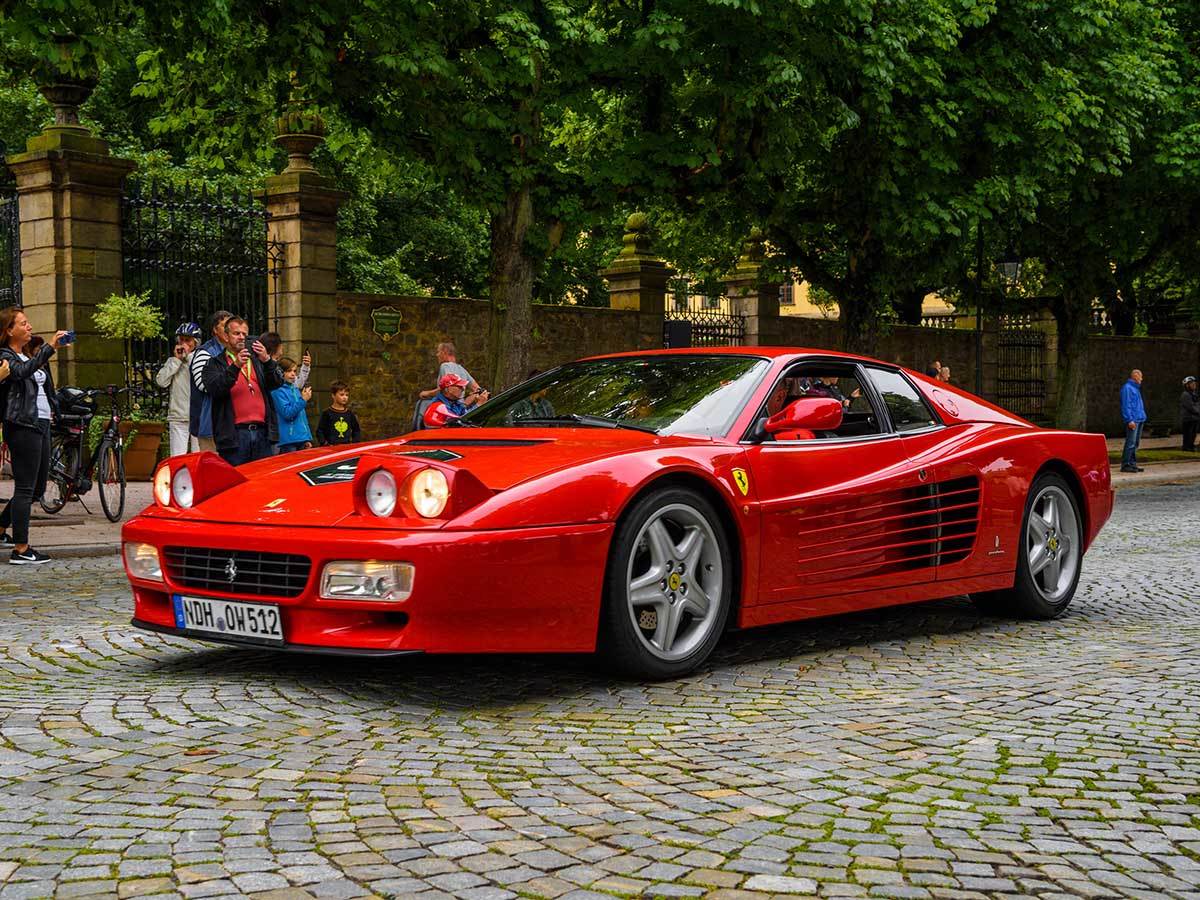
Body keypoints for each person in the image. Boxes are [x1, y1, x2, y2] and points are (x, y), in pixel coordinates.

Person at [0, 308, 70, 564]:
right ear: (9, 330)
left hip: (41, 422)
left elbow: (44, 385)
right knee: (25, 487)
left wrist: (55, 410)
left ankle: (1, 528)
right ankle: (21, 549)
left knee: (38, 487)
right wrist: (49, 347)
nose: (29, 327)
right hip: (22, 423)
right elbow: (19, 373)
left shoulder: (28, 353)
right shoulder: (5, 356)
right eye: (23, 323)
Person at [201, 316, 284, 466]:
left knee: (262, 482)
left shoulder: (258, 360)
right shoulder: (214, 364)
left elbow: (277, 382)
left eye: (244, 334)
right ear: (226, 336)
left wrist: (267, 361)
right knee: (236, 483)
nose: (241, 337)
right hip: (234, 436)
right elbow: (215, 388)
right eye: (236, 333)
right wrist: (236, 366)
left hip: (262, 433)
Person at [156, 322, 202, 457]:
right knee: (177, 458)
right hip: (178, 416)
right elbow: (161, 381)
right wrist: (176, 361)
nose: (183, 343)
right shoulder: (173, 361)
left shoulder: (200, 359)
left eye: (187, 340)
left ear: (196, 342)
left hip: (198, 416)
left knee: (198, 457)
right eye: (181, 340)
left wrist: (187, 357)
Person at [189, 310, 232, 453]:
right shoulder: (205, 352)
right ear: (215, 330)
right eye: (224, 325)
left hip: (230, 425)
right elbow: (204, 385)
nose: (228, 329)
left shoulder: (234, 351)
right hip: (210, 425)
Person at [271, 358, 314, 453]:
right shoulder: (277, 391)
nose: (293, 374)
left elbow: (302, 417)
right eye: (289, 371)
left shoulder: (295, 388)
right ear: (280, 372)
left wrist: (307, 437)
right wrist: (303, 400)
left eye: (294, 371)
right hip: (289, 441)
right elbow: (287, 413)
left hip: (301, 439)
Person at [316, 381, 362, 445]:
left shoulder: (349, 414)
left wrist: (354, 443)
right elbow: (320, 431)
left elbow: (356, 430)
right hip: (331, 448)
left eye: (347, 395)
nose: (345, 397)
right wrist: (325, 443)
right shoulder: (327, 413)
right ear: (333, 395)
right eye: (341, 394)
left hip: (346, 447)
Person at [1119, 368, 1147, 473]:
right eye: (1140, 376)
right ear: (1135, 376)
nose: (1142, 379)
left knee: (1135, 443)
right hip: (1133, 420)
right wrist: (1129, 420)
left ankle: (1132, 464)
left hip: (1139, 419)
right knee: (1130, 442)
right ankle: (1126, 464)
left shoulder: (1135, 388)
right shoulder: (1127, 388)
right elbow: (1126, 405)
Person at [1181, 376, 1200, 452]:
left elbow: (1197, 404)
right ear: (1187, 385)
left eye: (1194, 383)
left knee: (1193, 434)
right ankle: (1186, 447)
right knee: (1188, 434)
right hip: (1188, 418)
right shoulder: (1185, 395)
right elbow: (1191, 407)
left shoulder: (1194, 394)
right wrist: (1198, 411)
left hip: (1194, 418)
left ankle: (1191, 446)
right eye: (1192, 383)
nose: (1194, 384)